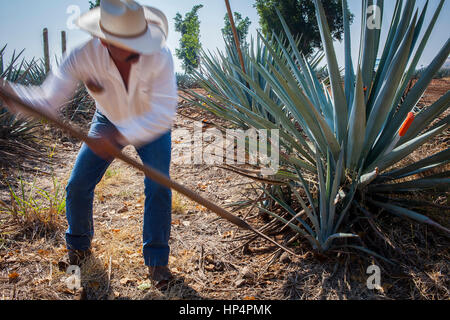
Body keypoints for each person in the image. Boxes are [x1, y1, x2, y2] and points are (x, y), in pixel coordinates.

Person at [0, 0, 178, 288]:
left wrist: (118, 138)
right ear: (104, 39)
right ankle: (79, 248)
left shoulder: (159, 55)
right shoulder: (82, 56)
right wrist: (14, 96)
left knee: (159, 185)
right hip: (107, 120)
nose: (138, 49)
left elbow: (164, 110)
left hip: (151, 123)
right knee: (77, 185)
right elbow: (48, 101)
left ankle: (157, 262)